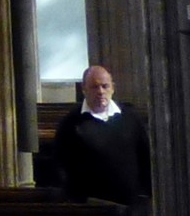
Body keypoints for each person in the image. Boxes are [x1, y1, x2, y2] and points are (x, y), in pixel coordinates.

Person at [55, 64, 150, 209]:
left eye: (105, 86)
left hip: (131, 204)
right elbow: (61, 165)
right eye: (94, 87)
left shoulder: (130, 117)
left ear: (113, 88)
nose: (100, 92)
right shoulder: (71, 123)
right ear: (84, 89)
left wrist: (147, 194)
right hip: (91, 207)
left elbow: (145, 156)